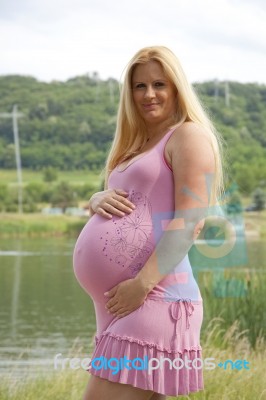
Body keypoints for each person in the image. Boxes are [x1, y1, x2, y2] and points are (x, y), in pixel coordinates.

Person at [73, 46, 224, 400]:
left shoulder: (188, 136)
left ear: (176, 88)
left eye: (159, 84)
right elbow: (130, 200)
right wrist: (96, 200)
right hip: (122, 304)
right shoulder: (136, 144)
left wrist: (140, 285)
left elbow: (190, 221)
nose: (149, 94)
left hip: (154, 297)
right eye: (139, 86)